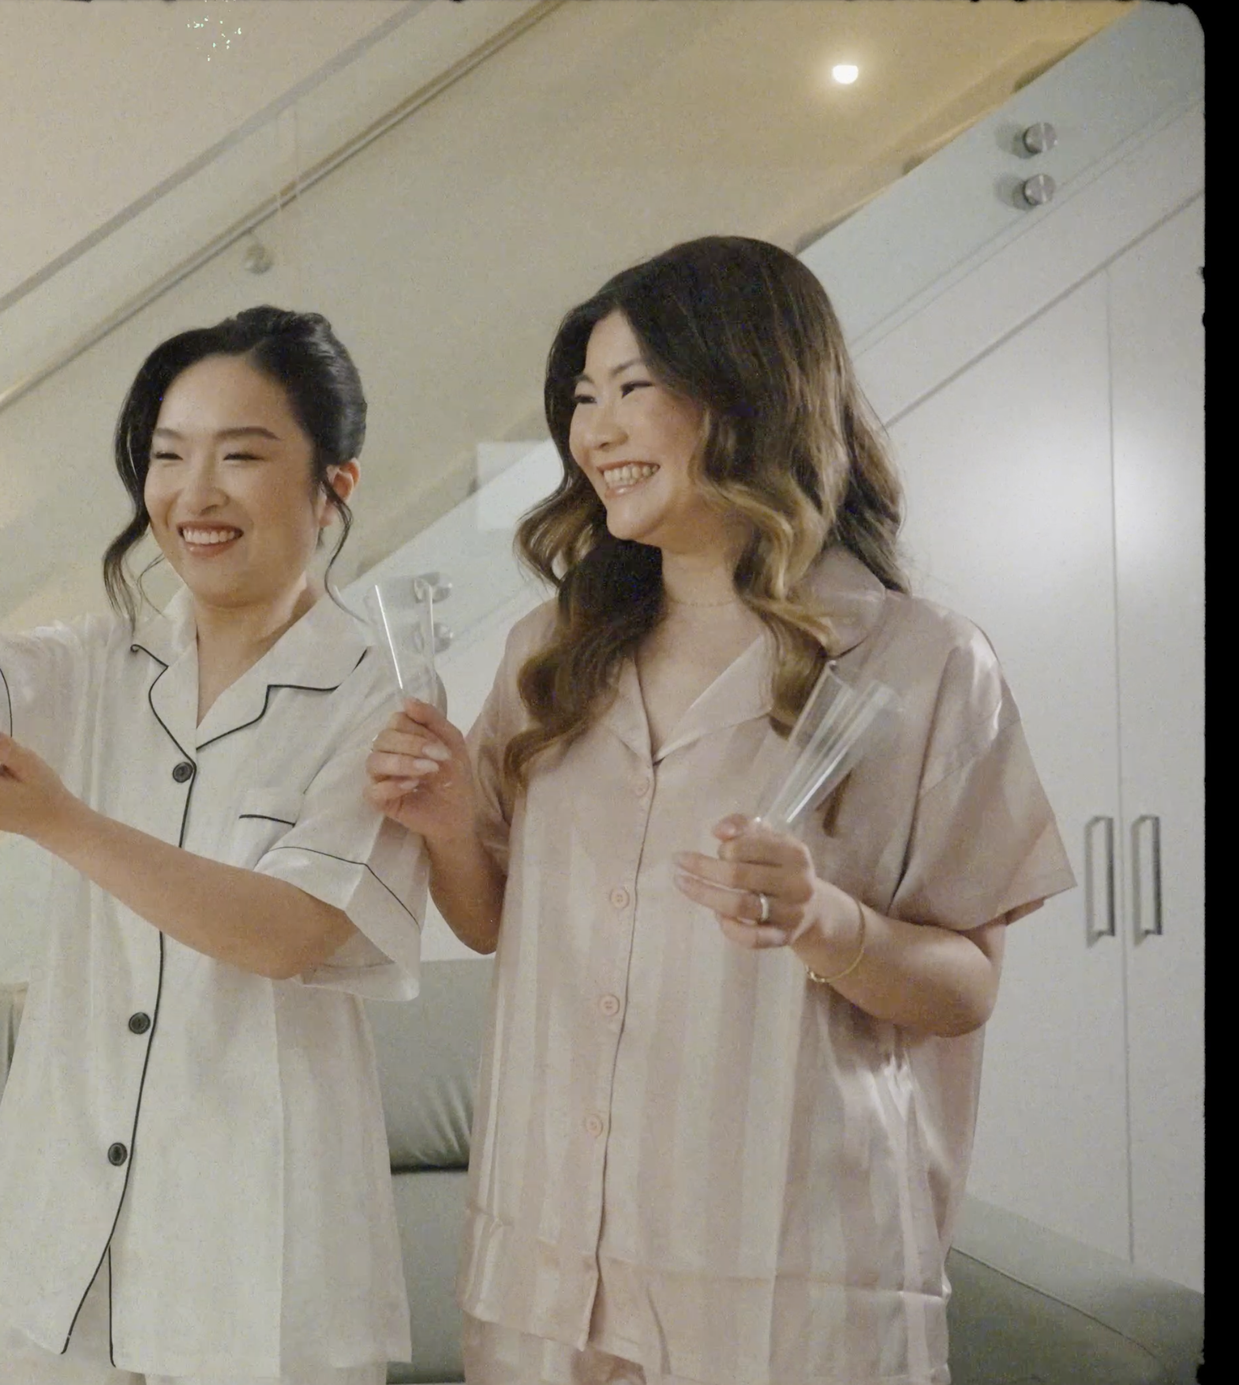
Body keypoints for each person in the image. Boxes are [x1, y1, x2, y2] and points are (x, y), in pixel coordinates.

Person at [365, 236, 1074, 1385]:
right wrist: (448, 818)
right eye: (582, 398)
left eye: (632, 387)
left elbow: (964, 987)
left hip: (783, 1276)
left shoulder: (920, 662)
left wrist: (824, 922)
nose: (594, 431)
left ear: (750, 389)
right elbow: (492, 919)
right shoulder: (551, 653)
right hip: (550, 1273)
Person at [0, 306, 428, 1384]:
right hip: (44, 1262)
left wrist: (61, 820)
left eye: (240, 456)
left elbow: (292, 932)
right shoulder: (93, 663)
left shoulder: (381, 695)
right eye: (168, 456)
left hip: (254, 1273)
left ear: (333, 486)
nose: (194, 494)